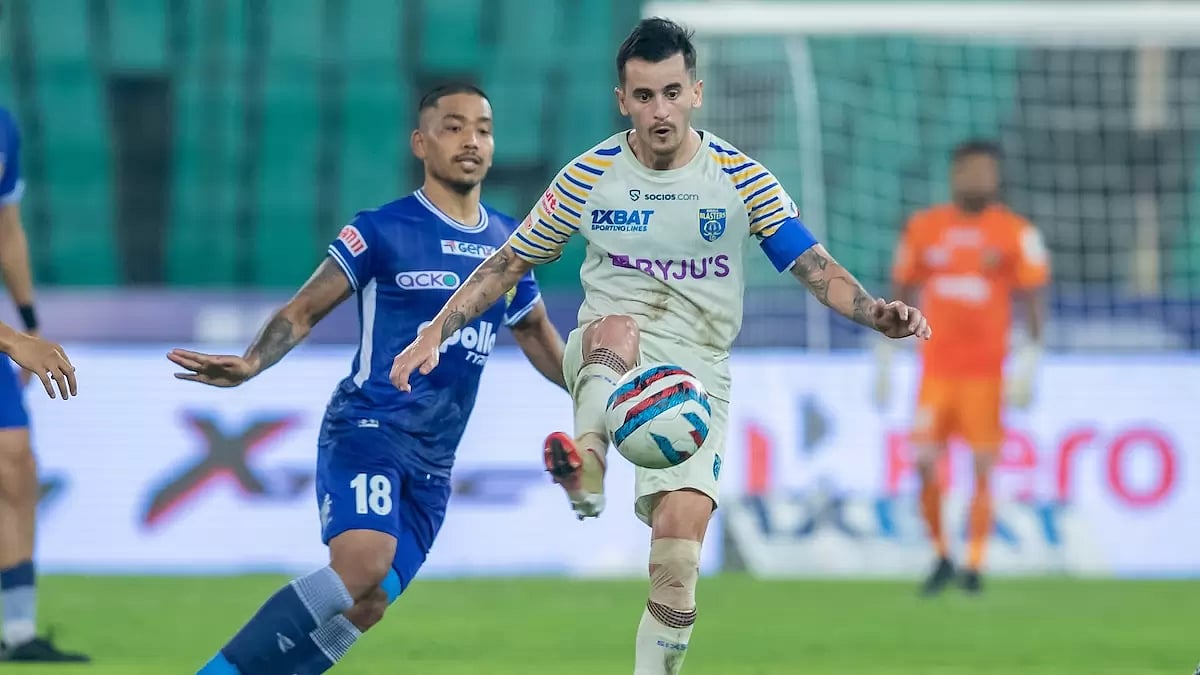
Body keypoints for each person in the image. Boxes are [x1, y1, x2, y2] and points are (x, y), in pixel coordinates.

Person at [388, 19, 930, 675]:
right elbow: (506, 264)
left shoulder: (739, 179)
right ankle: (586, 467)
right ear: (623, 100)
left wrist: (876, 313)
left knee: (676, 562)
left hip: (696, 379)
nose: (659, 110)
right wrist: (434, 328)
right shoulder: (590, 177)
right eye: (644, 96)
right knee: (616, 328)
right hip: (606, 353)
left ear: (696, 92)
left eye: (671, 92)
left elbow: (813, 266)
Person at [171, 83, 566, 675]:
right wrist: (252, 362)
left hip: (435, 463)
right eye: (453, 126)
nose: (472, 141)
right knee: (361, 566)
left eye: (483, 129)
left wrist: (599, 397)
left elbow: (534, 331)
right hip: (369, 426)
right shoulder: (382, 229)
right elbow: (303, 309)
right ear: (420, 142)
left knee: (370, 603)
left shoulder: (510, 245)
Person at [873, 139, 1050, 595]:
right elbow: (902, 289)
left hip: (986, 373)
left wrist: (1031, 357)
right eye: (970, 171)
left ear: (997, 177)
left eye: (986, 171)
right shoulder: (924, 228)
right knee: (926, 462)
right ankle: (941, 553)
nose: (978, 179)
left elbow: (1033, 296)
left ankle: (975, 562)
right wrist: (886, 356)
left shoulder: (1015, 232)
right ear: (955, 175)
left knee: (984, 464)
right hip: (936, 371)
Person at [0, 104, 85, 662]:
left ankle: (18, 631)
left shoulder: (6, 123)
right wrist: (12, 342)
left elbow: (6, 231)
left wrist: (29, 323)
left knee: (16, 461)